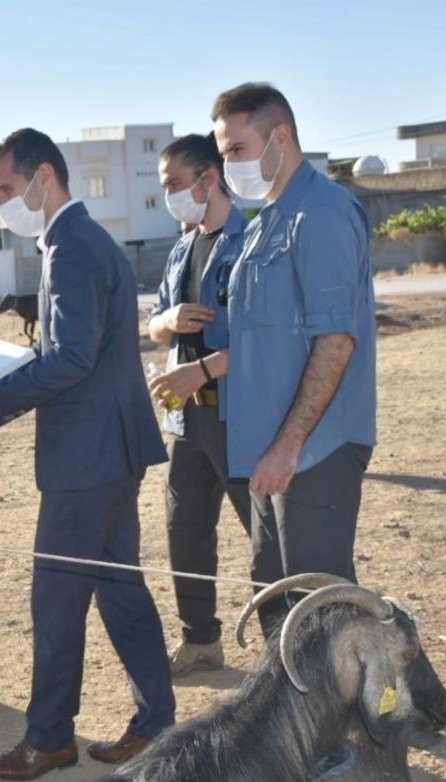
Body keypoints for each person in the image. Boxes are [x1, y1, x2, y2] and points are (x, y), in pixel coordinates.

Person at [0, 128, 174, 780]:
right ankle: (156, 724)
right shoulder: (85, 240)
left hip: (88, 460)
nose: (1, 204)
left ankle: (49, 739)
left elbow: (70, 358)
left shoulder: (70, 247)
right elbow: (80, 352)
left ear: (44, 177)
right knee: (120, 587)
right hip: (111, 450)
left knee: (57, 599)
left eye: (7, 189)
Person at [205, 83, 377, 634]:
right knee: (276, 601)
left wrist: (288, 446)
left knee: (321, 612)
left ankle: (369, 715)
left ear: (280, 137)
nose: (229, 165)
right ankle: (294, 721)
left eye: (237, 150)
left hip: (313, 448)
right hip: (269, 448)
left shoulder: (322, 213)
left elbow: (336, 342)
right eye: (224, 153)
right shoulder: (268, 221)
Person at [147, 133, 252, 677]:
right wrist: (167, 322)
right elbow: (156, 321)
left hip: (241, 417)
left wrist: (203, 369)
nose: (168, 196)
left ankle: (292, 650)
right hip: (186, 417)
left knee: (268, 540)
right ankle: (201, 641)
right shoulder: (182, 247)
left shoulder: (253, 243)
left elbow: (267, 339)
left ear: (208, 179)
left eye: (173, 184)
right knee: (184, 531)